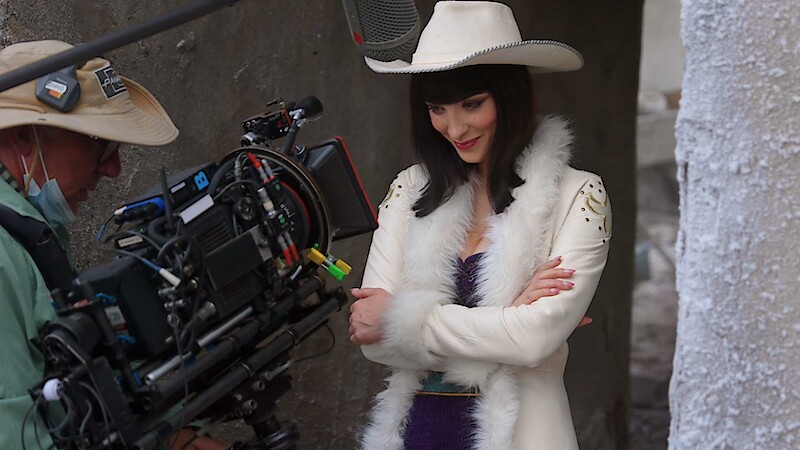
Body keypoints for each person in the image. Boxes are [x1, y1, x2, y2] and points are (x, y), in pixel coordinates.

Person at [348, 2, 612, 449]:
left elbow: (533, 341)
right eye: (437, 109)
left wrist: (401, 319)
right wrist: (507, 318)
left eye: (472, 104)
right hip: (418, 430)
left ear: (511, 96)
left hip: (523, 433)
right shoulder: (410, 190)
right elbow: (371, 339)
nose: (454, 127)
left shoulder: (578, 195)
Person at [0, 40, 226, 450]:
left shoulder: (28, 228)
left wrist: (172, 436)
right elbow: (16, 435)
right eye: (99, 143)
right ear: (23, 139)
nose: (113, 168)